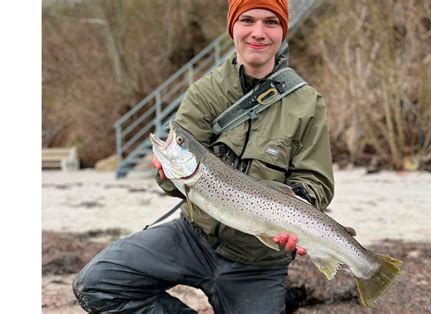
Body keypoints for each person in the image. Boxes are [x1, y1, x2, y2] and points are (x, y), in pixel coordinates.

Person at [73, 0, 334, 313]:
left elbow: (316, 180)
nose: (258, 32)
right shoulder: (204, 92)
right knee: (96, 283)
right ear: (232, 28)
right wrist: (166, 172)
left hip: (258, 262)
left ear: (283, 31)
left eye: (271, 22)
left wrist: (297, 209)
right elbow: (174, 180)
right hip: (192, 237)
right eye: (247, 20)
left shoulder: (307, 102)